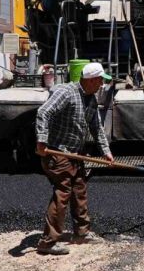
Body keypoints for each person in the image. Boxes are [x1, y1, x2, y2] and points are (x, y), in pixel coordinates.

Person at [35, 62, 114, 255]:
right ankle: (48, 242)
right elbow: (43, 112)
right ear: (92, 79)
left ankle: (82, 233)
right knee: (63, 193)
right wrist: (42, 141)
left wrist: (106, 150)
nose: (102, 85)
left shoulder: (91, 99)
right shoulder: (66, 92)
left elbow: (96, 127)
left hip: (75, 153)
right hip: (57, 152)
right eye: (100, 81)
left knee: (79, 190)